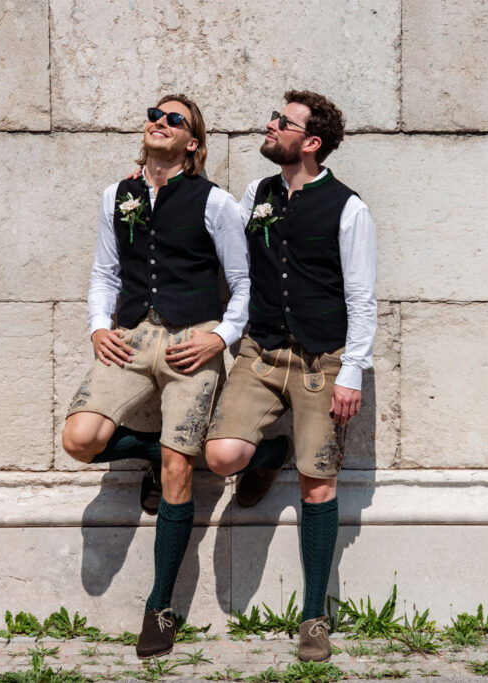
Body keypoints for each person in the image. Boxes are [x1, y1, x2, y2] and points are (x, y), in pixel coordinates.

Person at [61, 94, 250, 658]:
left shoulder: (215, 203)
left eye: (175, 120)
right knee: (80, 440)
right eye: (154, 115)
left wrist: (220, 337)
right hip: (132, 337)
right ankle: (156, 445)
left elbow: (242, 283)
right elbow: (105, 270)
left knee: (176, 470)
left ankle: (160, 607)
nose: (159, 123)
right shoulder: (115, 195)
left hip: (193, 337)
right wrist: (98, 326)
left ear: (192, 143)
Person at [205, 91, 377, 662]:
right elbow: (201, 212)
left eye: (284, 122)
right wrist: (152, 175)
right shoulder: (258, 193)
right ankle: (265, 454)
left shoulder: (349, 208)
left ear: (311, 142)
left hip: (321, 361)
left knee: (318, 485)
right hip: (261, 351)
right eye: (275, 117)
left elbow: (362, 298)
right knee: (222, 455)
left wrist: (351, 371)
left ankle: (314, 616)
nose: (271, 125)